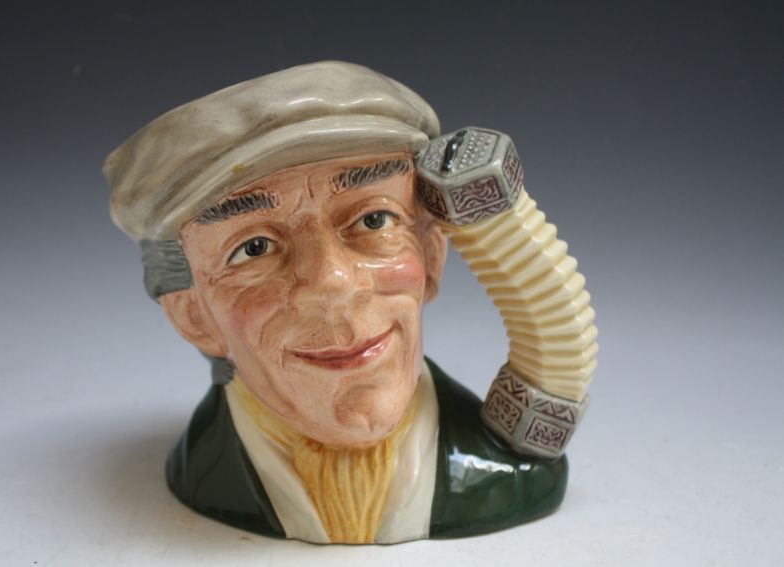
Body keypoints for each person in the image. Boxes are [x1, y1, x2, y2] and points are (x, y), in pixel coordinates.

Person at [104, 61, 581, 544]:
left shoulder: (500, 465)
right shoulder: (211, 471)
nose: (333, 284)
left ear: (431, 256)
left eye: (373, 220)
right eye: (254, 248)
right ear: (192, 315)